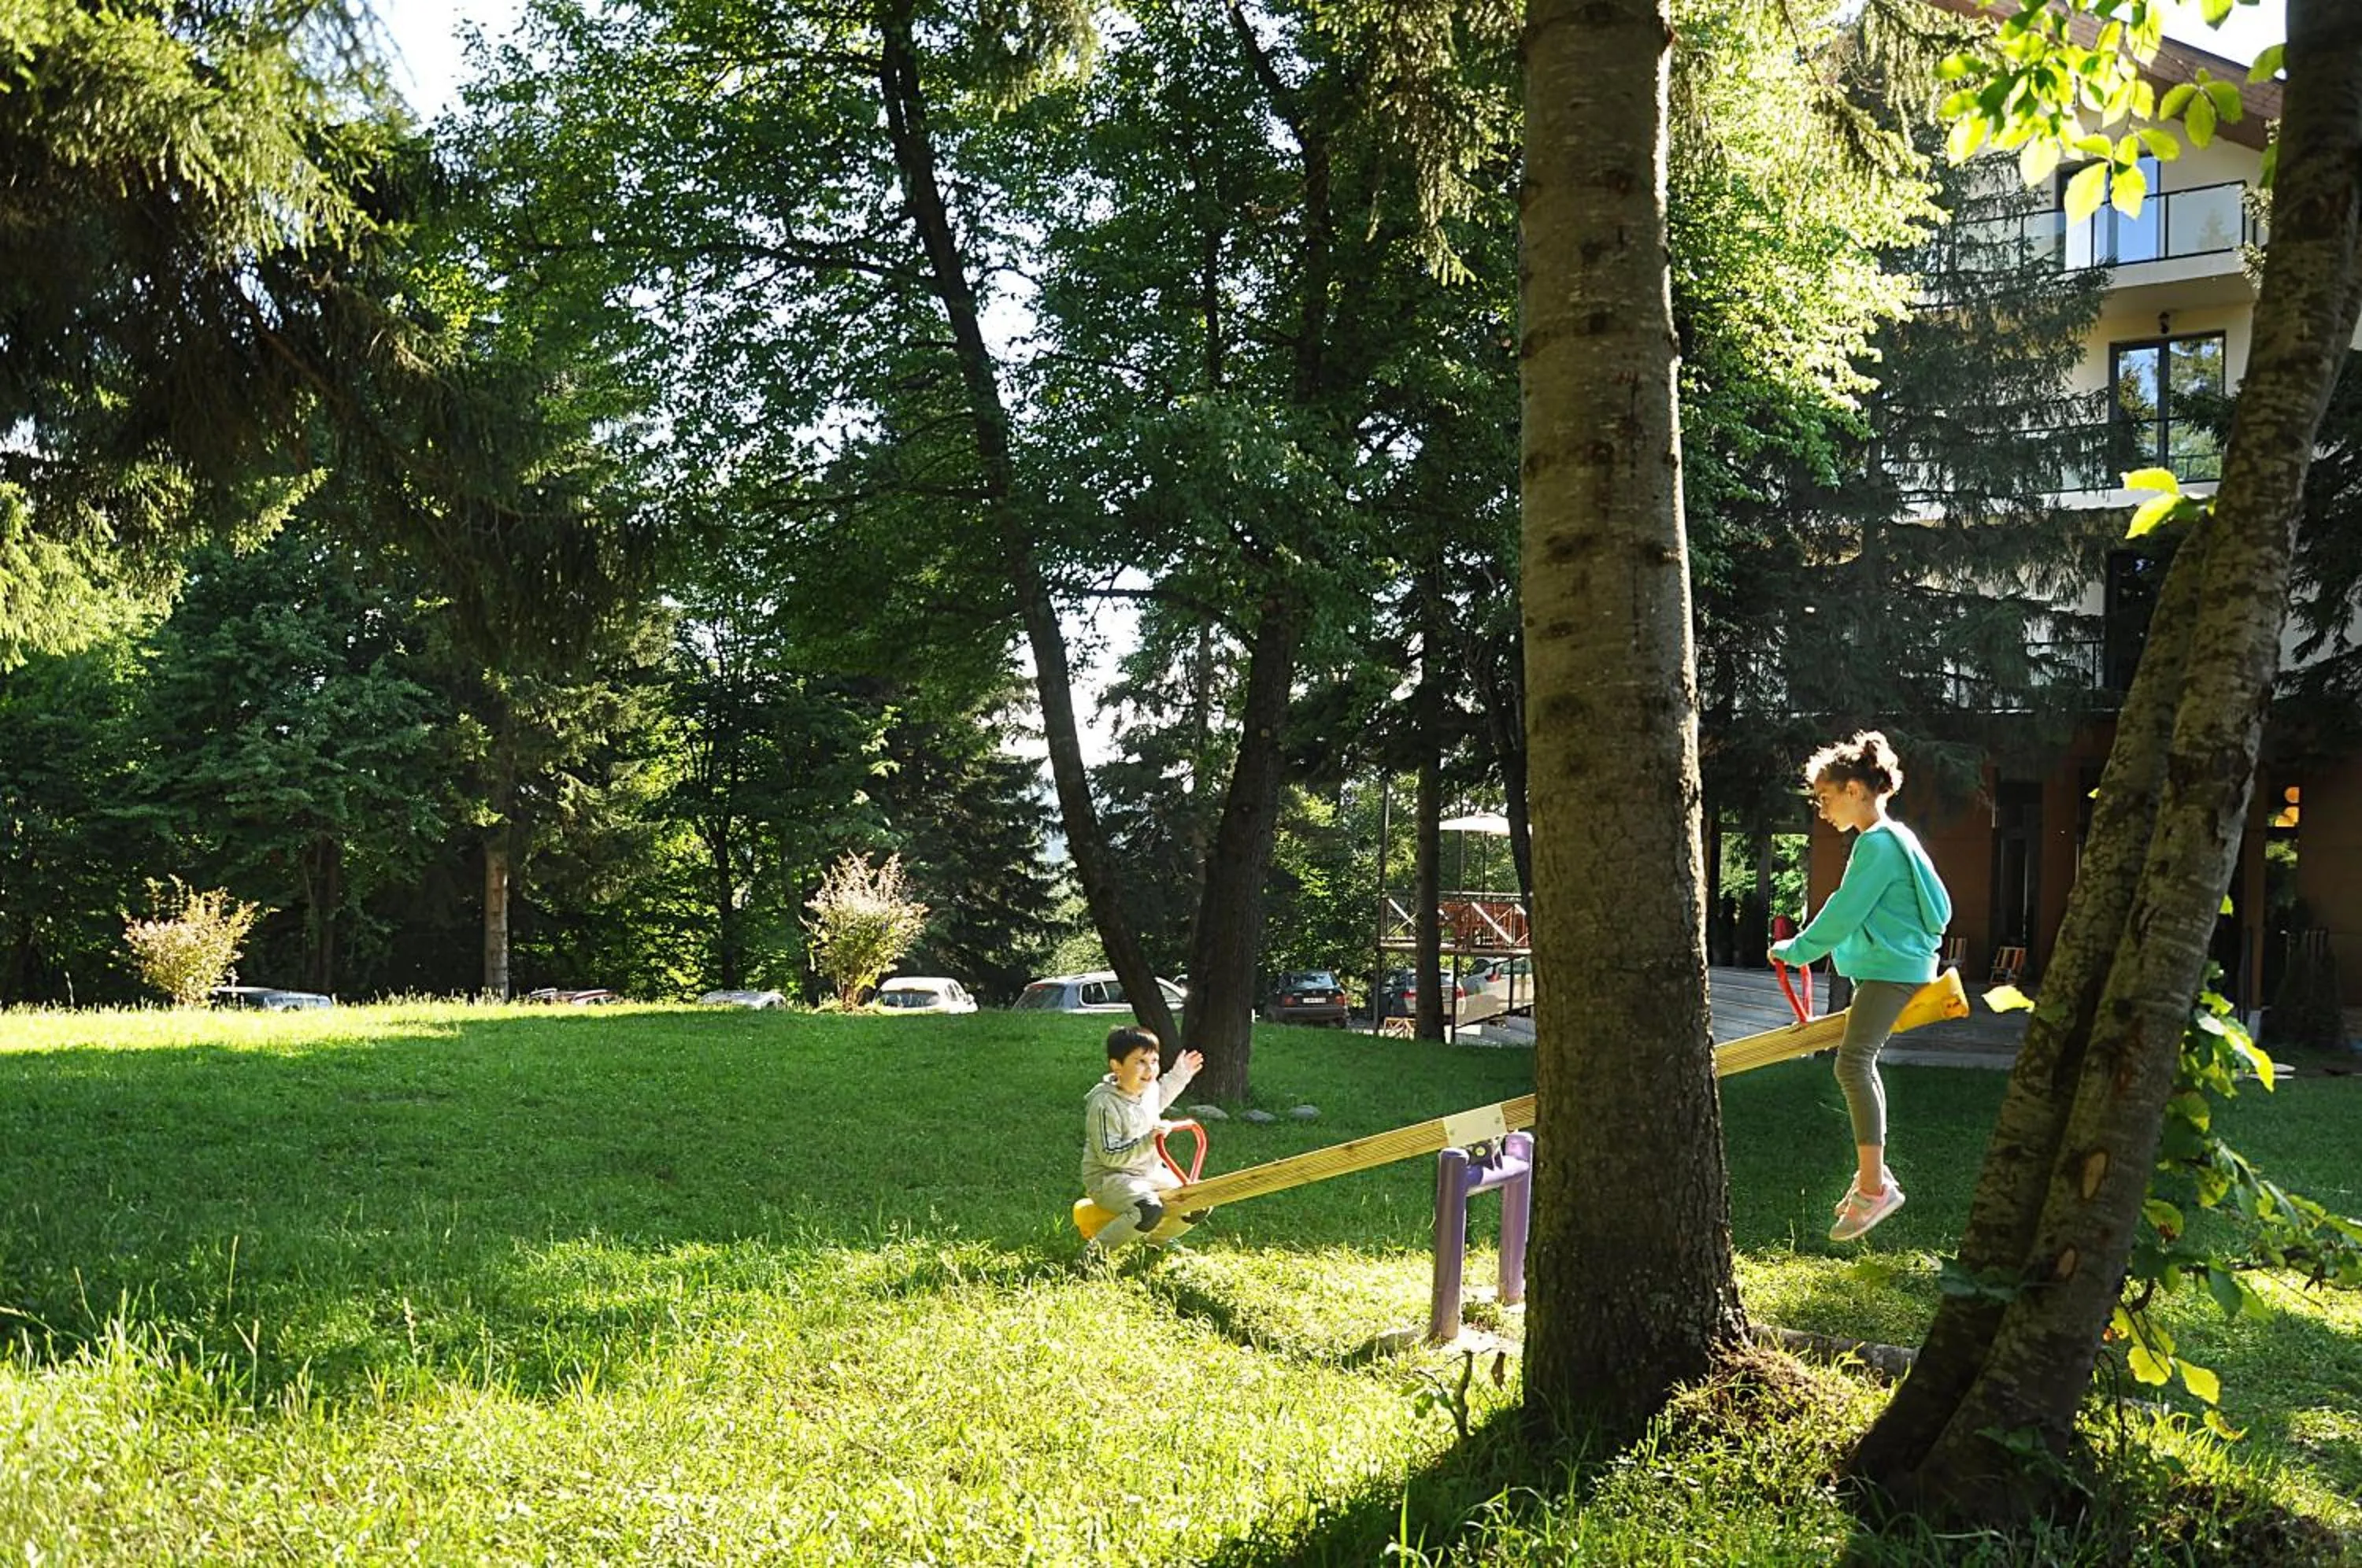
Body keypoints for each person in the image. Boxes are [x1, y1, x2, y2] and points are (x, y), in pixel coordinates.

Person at [1769, 730, 1953, 1244]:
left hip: (1894, 970)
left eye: (1826, 798)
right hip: (1891, 966)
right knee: (1858, 1062)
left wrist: (1796, 949)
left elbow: (1845, 911)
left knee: (1852, 1063)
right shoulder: (1893, 839)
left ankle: (1874, 1187)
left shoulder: (1877, 846)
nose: (1821, 810)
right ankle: (1874, 1178)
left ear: (1855, 789)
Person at [1080, 1026, 1205, 1253]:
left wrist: (1181, 1074)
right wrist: (1149, 1140)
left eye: (1154, 1061)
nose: (1150, 1069)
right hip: (1110, 1178)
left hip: (1147, 1173)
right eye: (1140, 1062)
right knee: (1148, 1208)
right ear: (1116, 1066)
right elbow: (1110, 1157)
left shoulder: (1148, 1090)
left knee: (1198, 1201)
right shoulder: (1104, 1103)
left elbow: (1162, 1093)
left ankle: (1158, 1242)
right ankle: (1093, 1254)